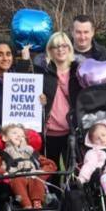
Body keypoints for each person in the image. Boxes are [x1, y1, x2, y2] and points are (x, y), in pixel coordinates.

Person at [0, 42, 35, 163]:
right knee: (0, 179)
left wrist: (40, 99)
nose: (5, 58)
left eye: (8, 54)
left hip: (19, 141)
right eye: (0, 54)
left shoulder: (18, 78)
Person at [39, 32, 81, 168]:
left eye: (64, 46)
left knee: (74, 172)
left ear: (69, 48)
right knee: (52, 173)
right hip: (50, 132)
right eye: (56, 47)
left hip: (72, 130)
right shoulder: (43, 72)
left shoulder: (78, 71)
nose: (60, 49)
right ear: (50, 50)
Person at [0, 124, 57, 210]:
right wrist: (3, 173)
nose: (19, 136)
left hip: (33, 175)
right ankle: (27, 205)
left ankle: (37, 202)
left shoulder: (32, 152)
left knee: (37, 178)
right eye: (14, 133)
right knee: (17, 180)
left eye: (22, 135)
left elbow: (51, 164)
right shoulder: (2, 154)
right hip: (15, 178)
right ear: (5, 138)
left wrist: (43, 171)